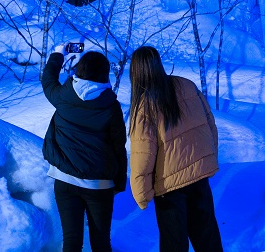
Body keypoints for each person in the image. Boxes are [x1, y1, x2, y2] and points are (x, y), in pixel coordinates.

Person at [128, 46, 223, 252]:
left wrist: (141, 194)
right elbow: (209, 124)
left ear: (135, 73)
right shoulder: (186, 85)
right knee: (207, 237)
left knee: (174, 244)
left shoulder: (144, 106)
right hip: (199, 177)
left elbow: (142, 155)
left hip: (169, 187)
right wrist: (209, 157)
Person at [42, 44, 127, 252]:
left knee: (71, 242)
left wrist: (58, 54)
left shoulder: (63, 96)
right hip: (99, 185)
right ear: (105, 74)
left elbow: (47, 79)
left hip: (64, 180)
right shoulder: (111, 106)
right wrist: (119, 182)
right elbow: (118, 147)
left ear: (79, 70)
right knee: (100, 242)